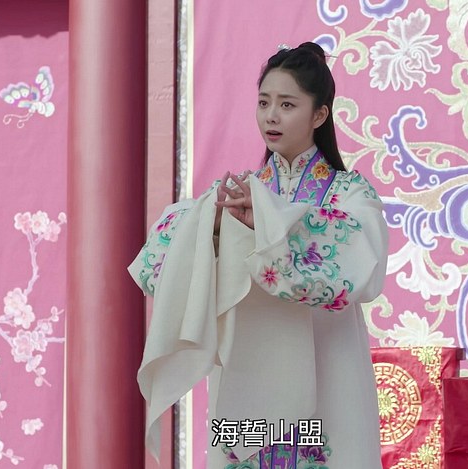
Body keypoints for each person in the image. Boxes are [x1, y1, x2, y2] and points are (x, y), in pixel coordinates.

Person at [129, 42, 388, 469]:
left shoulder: (349, 195)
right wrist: (212, 228)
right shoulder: (235, 197)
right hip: (247, 371)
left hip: (328, 367)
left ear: (319, 115)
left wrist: (269, 223)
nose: (271, 116)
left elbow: (363, 265)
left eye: (287, 104)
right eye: (264, 102)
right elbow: (161, 265)